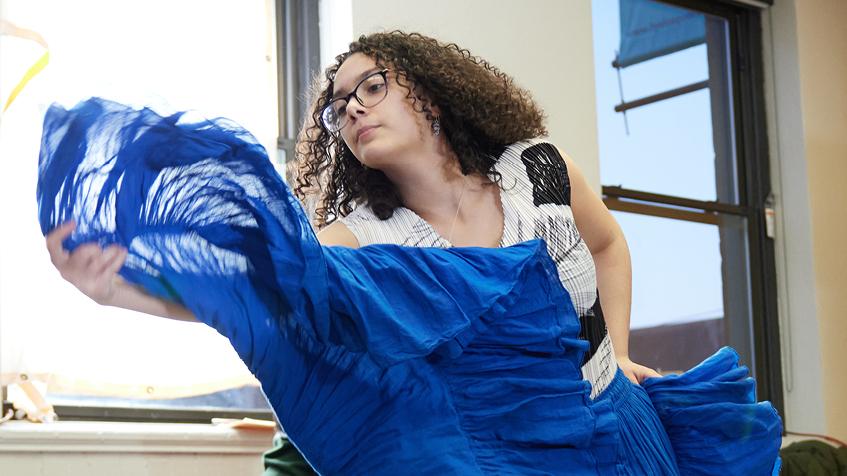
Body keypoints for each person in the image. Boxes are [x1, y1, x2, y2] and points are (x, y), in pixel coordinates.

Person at [41, 31, 781, 475]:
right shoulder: (362, 236)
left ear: (431, 90)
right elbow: (267, 297)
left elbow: (608, 244)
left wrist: (616, 350)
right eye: (337, 104)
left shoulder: (539, 168)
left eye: (371, 85)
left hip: (626, 427)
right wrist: (122, 290)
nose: (351, 106)